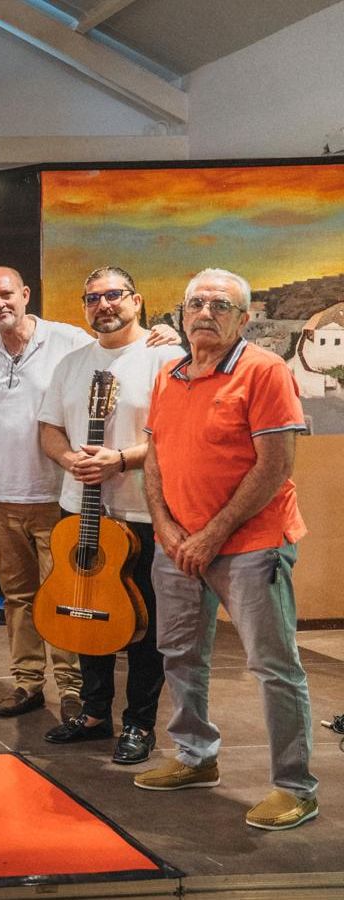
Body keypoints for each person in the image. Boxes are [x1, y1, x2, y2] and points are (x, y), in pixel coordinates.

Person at [136, 268, 318, 831]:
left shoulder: (264, 371)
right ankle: (195, 757)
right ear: (181, 314)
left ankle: (296, 787)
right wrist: (165, 527)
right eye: (196, 303)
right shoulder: (170, 373)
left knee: (273, 666)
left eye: (221, 304)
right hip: (179, 545)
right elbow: (156, 457)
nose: (206, 313)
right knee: (181, 655)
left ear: (243, 318)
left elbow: (275, 467)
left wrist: (210, 535)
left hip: (251, 546)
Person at [37, 266, 181, 765]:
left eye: (114, 295)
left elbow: (175, 435)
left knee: (145, 626)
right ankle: (95, 713)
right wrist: (66, 458)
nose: (104, 305)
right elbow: (50, 429)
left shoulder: (167, 357)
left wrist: (121, 459)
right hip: (81, 509)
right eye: (93, 298)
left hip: (144, 512)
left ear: (137, 300)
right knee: (86, 614)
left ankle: (140, 722)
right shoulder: (73, 363)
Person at [0, 267, 90, 722]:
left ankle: (72, 688)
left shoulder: (69, 341)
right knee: (17, 596)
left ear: (24, 295)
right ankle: (26, 682)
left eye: (6, 295)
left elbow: (117, 356)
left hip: (59, 496)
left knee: (62, 595)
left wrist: (159, 334)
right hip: (3, 497)